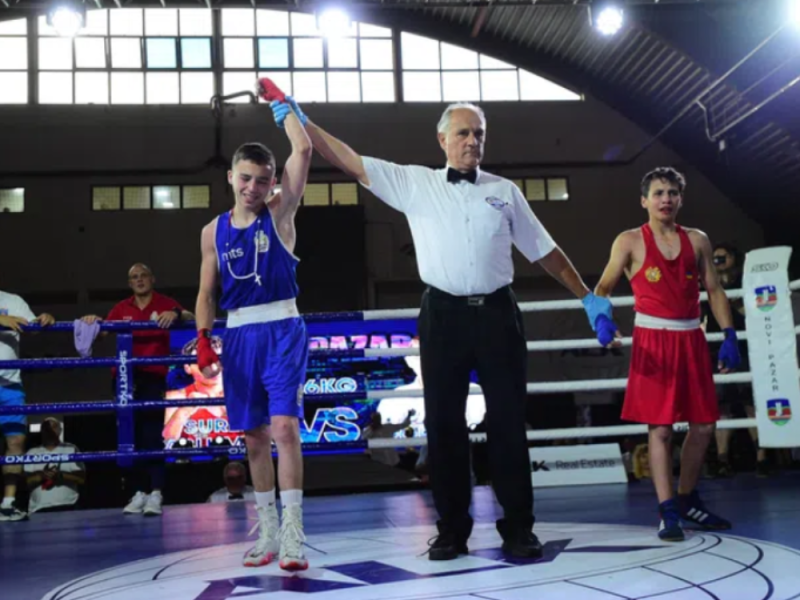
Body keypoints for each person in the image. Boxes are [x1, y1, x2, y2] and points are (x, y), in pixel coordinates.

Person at [269, 89, 615, 561]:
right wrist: (303, 123)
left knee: (509, 423)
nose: (472, 141)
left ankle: (519, 528)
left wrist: (587, 296)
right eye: (463, 133)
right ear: (442, 140)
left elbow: (545, 252)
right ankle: (451, 530)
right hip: (443, 315)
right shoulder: (416, 183)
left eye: (479, 134)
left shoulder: (504, 192)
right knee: (444, 425)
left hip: (498, 314)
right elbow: (350, 160)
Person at [193, 83, 313, 570]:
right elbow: (207, 293)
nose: (253, 188)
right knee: (254, 437)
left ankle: (293, 533)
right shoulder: (212, 232)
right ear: (231, 176)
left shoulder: (280, 212)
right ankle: (267, 532)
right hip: (239, 334)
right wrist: (203, 339)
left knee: (284, 427)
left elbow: (303, 150)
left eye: (262, 180)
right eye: (245, 178)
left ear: (271, 183)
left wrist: (283, 107)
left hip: (282, 328)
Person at [594, 166, 740, 542]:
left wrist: (729, 334)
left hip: (691, 337)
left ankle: (687, 498)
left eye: (673, 192)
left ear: (681, 199)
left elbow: (714, 289)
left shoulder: (697, 240)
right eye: (658, 193)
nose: (666, 199)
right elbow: (603, 287)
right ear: (644, 200)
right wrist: (602, 320)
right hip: (653, 340)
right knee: (659, 429)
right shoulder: (629, 241)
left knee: (704, 425)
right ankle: (667, 510)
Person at [81, 263, 194, 517]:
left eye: (143, 275)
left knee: (152, 434)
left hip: (153, 377)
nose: (139, 280)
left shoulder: (165, 303)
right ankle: (138, 492)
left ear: (152, 279)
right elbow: (102, 333)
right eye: (134, 277)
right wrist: (92, 321)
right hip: (124, 378)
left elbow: (190, 317)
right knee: (129, 437)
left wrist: (175, 313)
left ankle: (156, 492)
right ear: (129, 283)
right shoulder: (122, 307)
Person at [703, 243, 767, 477]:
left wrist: (735, 302)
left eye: (723, 257)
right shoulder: (707, 284)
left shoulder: (748, 282)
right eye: (715, 258)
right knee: (723, 405)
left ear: (734, 259)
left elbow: (757, 313)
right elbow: (703, 318)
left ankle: (762, 458)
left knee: (751, 403)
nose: (718, 261)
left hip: (747, 347)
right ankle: (722, 459)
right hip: (716, 349)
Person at [0, 292, 54, 521]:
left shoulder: (12, 301)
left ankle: (8, 503)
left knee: (16, 442)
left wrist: (44, 319)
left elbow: (32, 326)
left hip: (10, 384)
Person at [24, 417, 85, 514]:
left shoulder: (70, 448)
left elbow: (82, 479)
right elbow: (24, 483)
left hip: (69, 506)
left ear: (60, 430)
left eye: (54, 427)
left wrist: (61, 476)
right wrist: (42, 476)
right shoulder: (32, 452)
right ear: (41, 431)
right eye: (47, 428)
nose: (50, 430)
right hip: (38, 509)